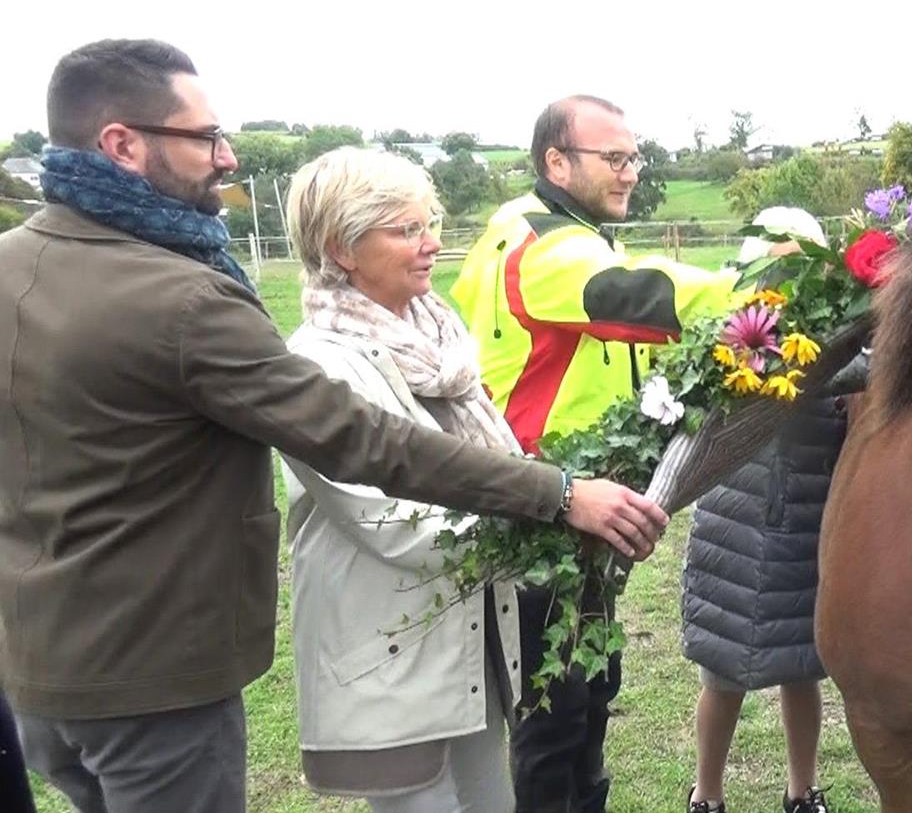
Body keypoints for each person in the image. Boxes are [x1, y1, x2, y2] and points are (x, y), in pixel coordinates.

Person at [0, 40, 666, 813]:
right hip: (159, 671)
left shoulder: (16, 262)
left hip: (45, 662)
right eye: (205, 137)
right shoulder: (187, 301)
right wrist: (553, 495)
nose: (226, 157)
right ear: (121, 143)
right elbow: (366, 447)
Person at [452, 95, 743, 813]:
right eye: (614, 159)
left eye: (634, 158)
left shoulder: (555, 231)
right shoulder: (543, 244)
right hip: (545, 501)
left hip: (576, 498)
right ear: (557, 161)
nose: (631, 173)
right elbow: (637, 295)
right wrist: (761, 292)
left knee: (590, 686)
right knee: (556, 711)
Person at [280, 146, 540, 811]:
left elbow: (492, 460)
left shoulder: (437, 337)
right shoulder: (317, 366)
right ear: (343, 249)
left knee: (491, 800)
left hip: (471, 624)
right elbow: (384, 518)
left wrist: (534, 490)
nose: (432, 245)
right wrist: (537, 513)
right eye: (407, 230)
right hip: (389, 640)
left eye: (432, 225)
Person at [681, 208, 850, 813]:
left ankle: (802, 792)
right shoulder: (742, 332)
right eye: (782, 259)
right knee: (723, 676)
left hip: (808, 521)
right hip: (742, 522)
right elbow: (795, 372)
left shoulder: (836, 325)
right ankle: (708, 794)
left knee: (802, 667)